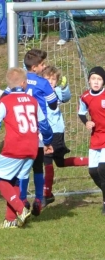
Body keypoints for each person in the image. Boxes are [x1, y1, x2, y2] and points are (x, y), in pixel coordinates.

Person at [0, 68, 53, 228]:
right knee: (15, 180)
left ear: (9, 85)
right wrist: (48, 141)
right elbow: (44, 125)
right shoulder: (33, 101)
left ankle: (20, 209)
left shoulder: (4, 101)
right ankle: (10, 220)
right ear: (24, 84)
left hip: (14, 147)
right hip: (32, 147)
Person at [2, 49, 58, 216]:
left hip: (20, 130)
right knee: (38, 166)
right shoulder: (42, 83)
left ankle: (23, 198)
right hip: (38, 130)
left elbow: (5, 98)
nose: (44, 66)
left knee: (22, 167)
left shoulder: (19, 81)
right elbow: (53, 104)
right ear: (34, 67)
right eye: (42, 64)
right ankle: (39, 199)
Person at [41, 66, 88, 207]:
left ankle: (46, 195)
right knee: (60, 163)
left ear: (57, 81)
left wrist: (65, 86)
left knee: (47, 161)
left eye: (53, 79)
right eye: (47, 79)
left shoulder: (56, 92)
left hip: (54, 132)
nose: (50, 81)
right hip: (43, 132)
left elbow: (66, 97)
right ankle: (91, 160)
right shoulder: (39, 92)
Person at [78, 66, 105, 215]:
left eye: (99, 79)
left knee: (103, 169)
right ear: (89, 80)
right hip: (95, 137)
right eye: (93, 78)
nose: (96, 82)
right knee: (93, 171)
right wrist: (86, 122)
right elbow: (81, 112)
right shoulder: (85, 97)